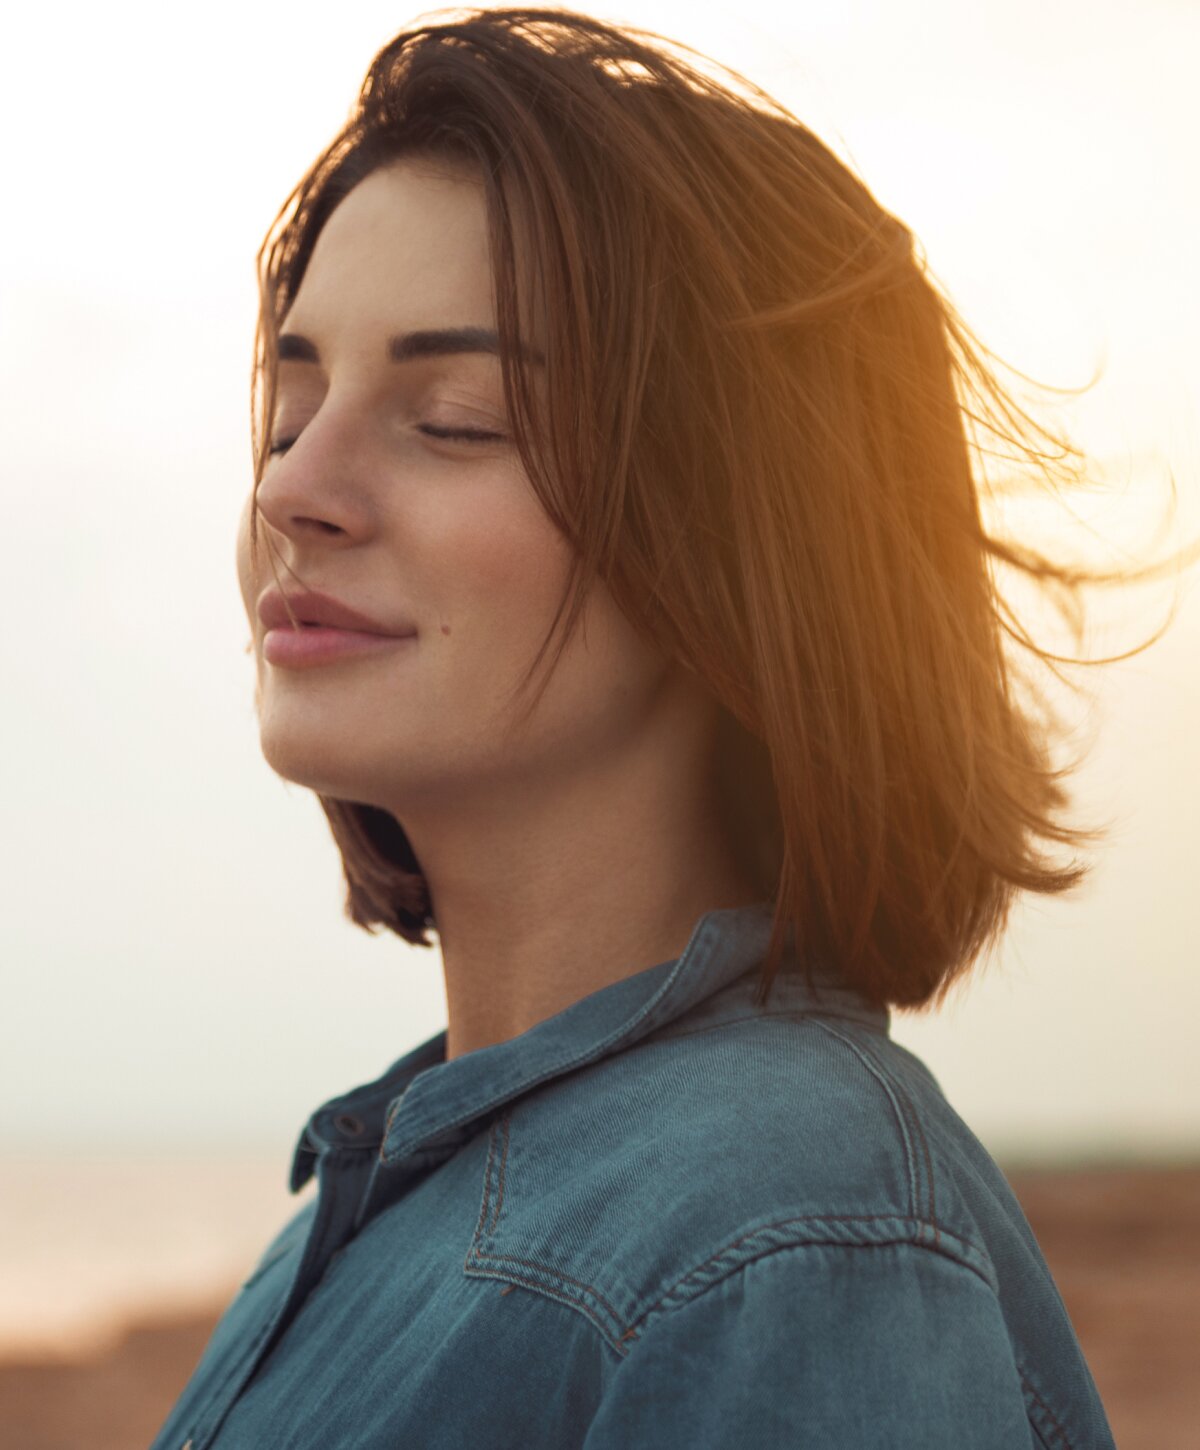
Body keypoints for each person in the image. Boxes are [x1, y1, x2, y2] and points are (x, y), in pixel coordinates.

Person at [151, 7, 1186, 1445]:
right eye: (290, 408)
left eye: (450, 417)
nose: (294, 490)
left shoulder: (791, 1235)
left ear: (734, 542)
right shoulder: (369, 1217)